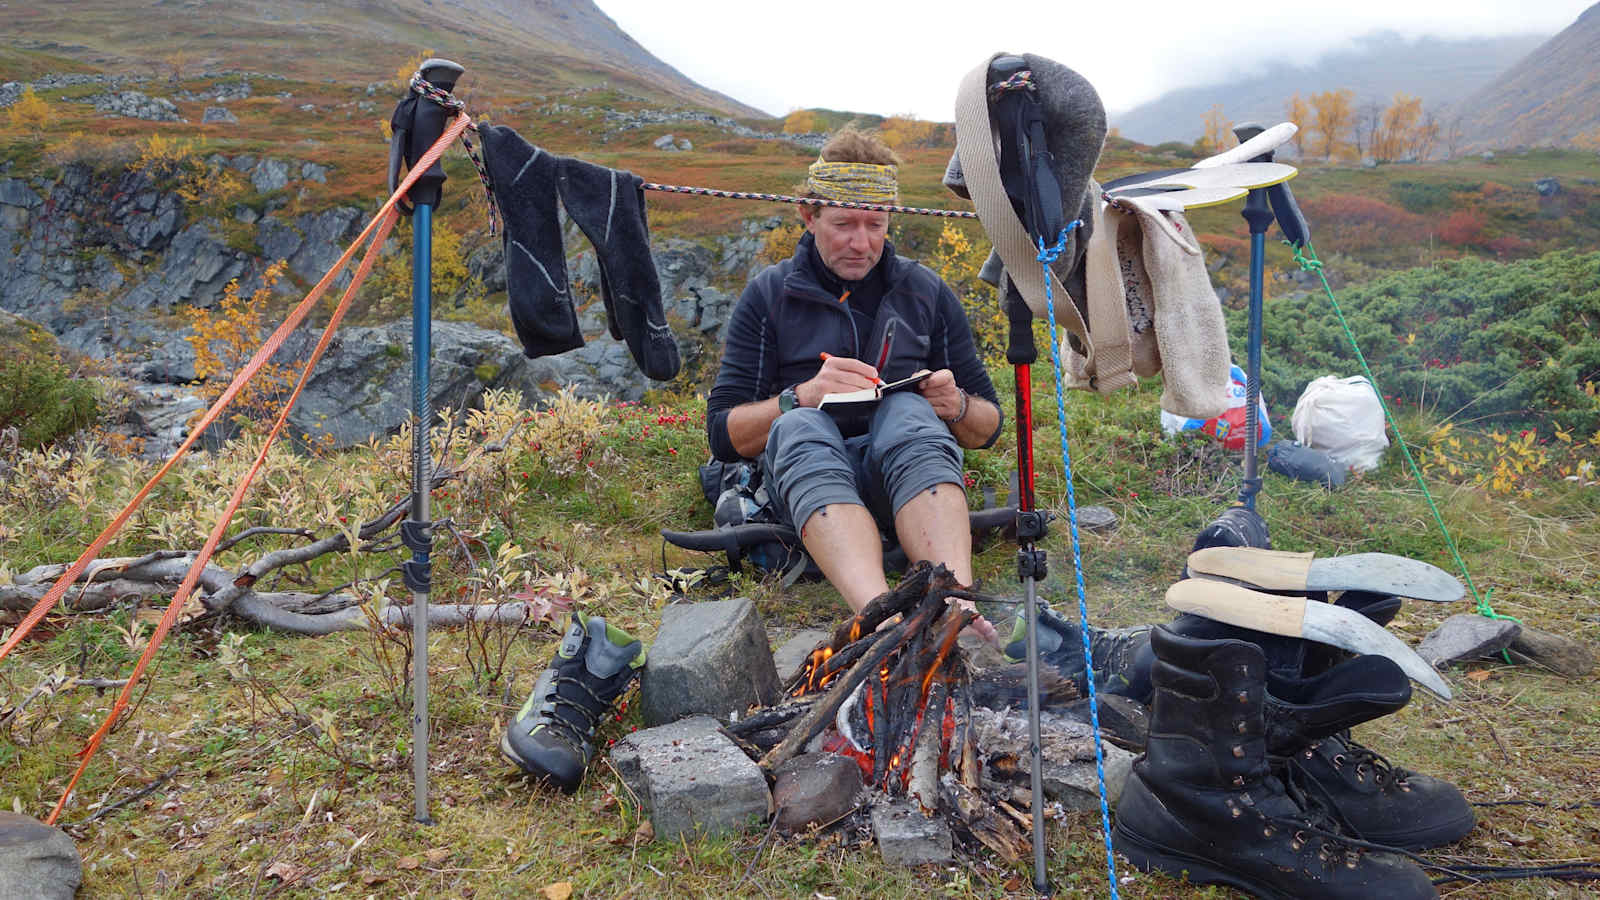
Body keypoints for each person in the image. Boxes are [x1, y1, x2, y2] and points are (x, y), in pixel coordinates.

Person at [705, 130, 1003, 643]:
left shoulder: (925, 291)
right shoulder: (769, 296)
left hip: (900, 480)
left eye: (875, 224)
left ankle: (953, 605)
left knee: (909, 413)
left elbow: (988, 427)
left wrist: (955, 406)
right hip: (800, 485)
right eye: (843, 224)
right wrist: (798, 397)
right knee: (802, 425)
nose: (860, 242)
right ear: (808, 215)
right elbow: (722, 434)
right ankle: (878, 615)